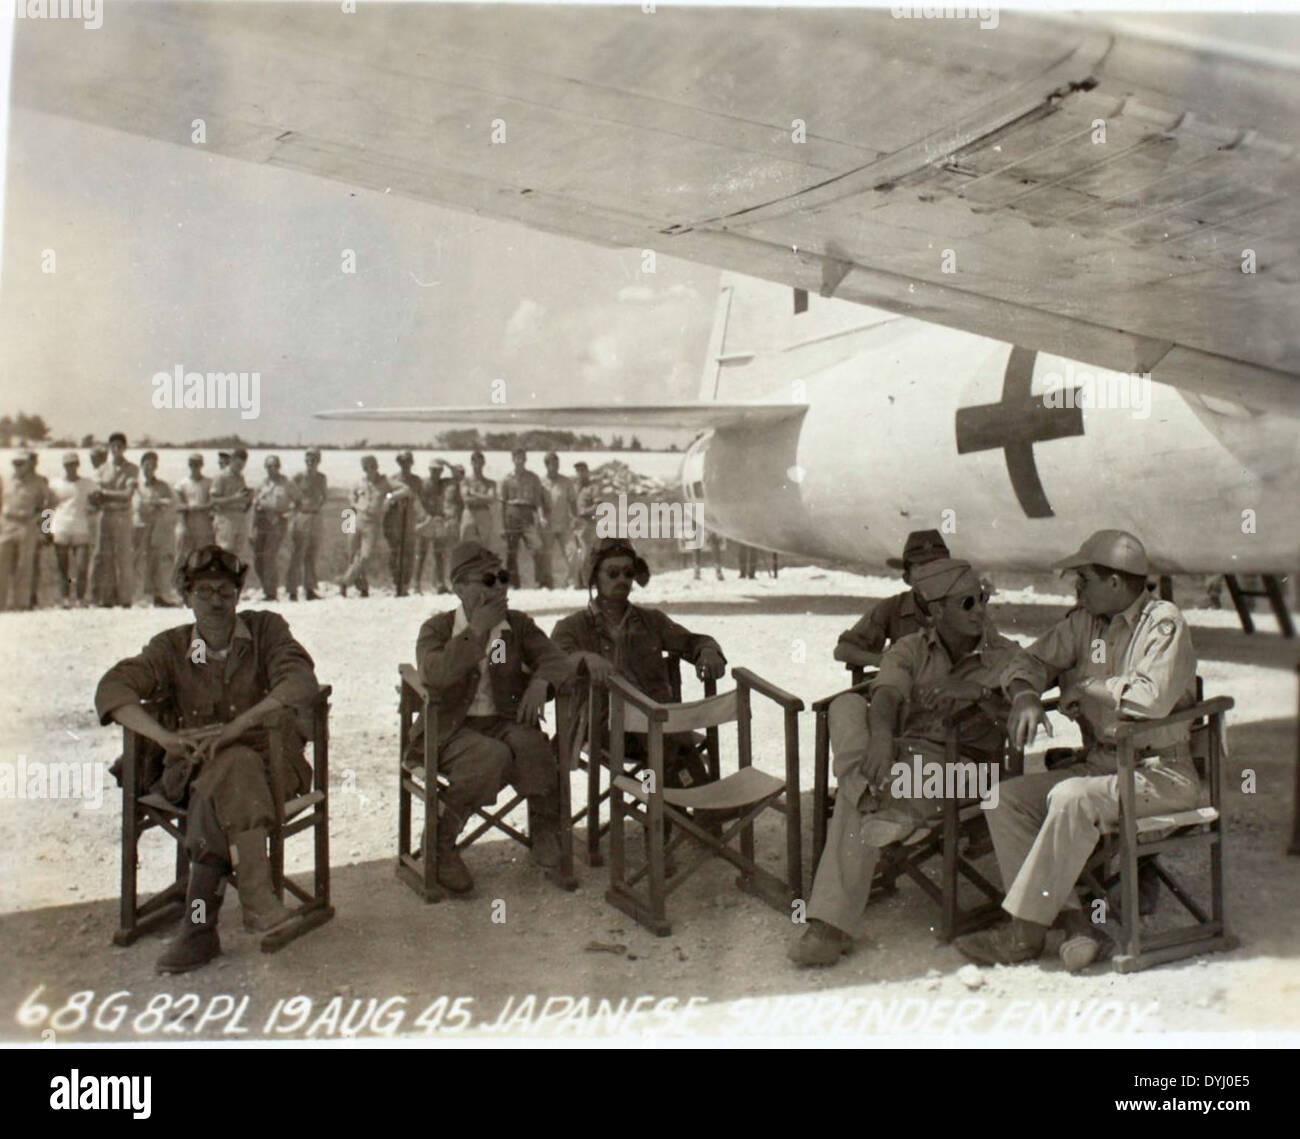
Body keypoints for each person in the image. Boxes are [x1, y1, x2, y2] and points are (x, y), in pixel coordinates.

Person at [955, 530, 1201, 973]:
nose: (1076, 589)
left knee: (1071, 797)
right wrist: (1027, 694)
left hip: (1161, 773)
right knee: (1004, 798)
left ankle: (1025, 933)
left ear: (1114, 582)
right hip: (1104, 763)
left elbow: (1151, 699)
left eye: (1083, 579)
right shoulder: (1084, 622)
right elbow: (1027, 662)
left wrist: (1082, 685)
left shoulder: (1164, 623)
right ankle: (1074, 923)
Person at [95, 545, 321, 973]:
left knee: (231, 767)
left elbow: (300, 681)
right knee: (222, 778)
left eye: (225, 591)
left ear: (238, 595)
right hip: (195, 772)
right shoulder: (171, 647)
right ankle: (252, 902)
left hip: (272, 767)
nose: (216, 602)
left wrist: (237, 728)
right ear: (187, 597)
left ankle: (200, 927)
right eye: (204, 592)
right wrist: (163, 737)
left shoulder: (267, 630)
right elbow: (113, 688)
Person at [790, 558, 1018, 966]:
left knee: (852, 796)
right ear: (934, 611)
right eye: (967, 603)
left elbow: (1024, 707)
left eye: (982, 599)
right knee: (845, 705)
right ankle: (877, 802)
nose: (980, 610)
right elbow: (887, 694)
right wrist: (879, 736)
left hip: (967, 772)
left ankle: (829, 926)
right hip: (902, 760)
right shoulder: (911, 648)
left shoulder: (1005, 655)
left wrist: (977, 694)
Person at [413, 541, 574, 893]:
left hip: (501, 721)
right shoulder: (438, 630)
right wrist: (477, 632)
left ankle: (545, 831)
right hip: (452, 729)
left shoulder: (516, 626)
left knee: (533, 744)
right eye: (488, 580)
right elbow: (436, 674)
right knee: (490, 756)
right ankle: (440, 844)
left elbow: (558, 658)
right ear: (459, 587)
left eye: (503, 578)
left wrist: (541, 681)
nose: (500, 587)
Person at [552, 537, 728, 791]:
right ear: (594, 578)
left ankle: (676, 812)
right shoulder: (572, 627)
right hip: (603, 728)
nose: (622, 580)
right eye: (612, 573)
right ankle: (699, 806)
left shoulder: (651, 621)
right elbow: (552, 664)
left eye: (628, 573)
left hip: (656, 723)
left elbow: (693, 641)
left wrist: (708, 651)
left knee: (662, 732)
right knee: (666, 736)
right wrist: (584, 658)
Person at [834, 529, 949, 674]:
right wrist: (884, 661)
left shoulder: (967, 604)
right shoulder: (894, 607)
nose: (931, 576)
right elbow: (843, 650)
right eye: (921, 570)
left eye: (937, 568)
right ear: (907, 578)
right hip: (905, 688)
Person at [93, 432, 139, 608]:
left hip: (123, 515)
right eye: (113, 446)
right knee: (105, 557)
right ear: (110, 448)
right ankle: (106, 598)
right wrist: (106, 496)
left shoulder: (132, 469)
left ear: (124, 448)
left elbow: (127, 495)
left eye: (120, 446)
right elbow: (96, 496)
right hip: (105, 515)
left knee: (124, 557)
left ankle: (125, 598)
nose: (117, 450)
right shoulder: (101, 469)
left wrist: (105, 494)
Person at [0, 453, 49, 610]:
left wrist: (44, 530)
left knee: (24, 566)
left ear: (29, 464)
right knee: (2, 564)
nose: (18, 466)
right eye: (15, 463)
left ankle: (21, 604)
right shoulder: (5, 480)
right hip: (7, 524)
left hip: (27, 525)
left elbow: (48, 507)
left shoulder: (39, 482)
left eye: (21, 463)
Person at [132, 451, 179, 607]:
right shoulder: (135, 485)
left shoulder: (162, 486)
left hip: (157, 528)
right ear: (142, 466)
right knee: (138, 561)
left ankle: (159, 596)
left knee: (158, 561)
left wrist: (157, 501)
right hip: (139, 526)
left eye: (152, 465)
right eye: (146, 465)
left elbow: (170, 502)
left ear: (156, 467)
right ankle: (138, 597)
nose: (149, 468)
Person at [499, 448, 552, 588]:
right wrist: (502, 525)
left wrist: (541, 517)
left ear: (525, 459)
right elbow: (502, 504)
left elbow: (537, 501)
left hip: (527, 514)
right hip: (511, 514)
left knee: (537, 547)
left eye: (522, 458)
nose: (519, 461)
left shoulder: (533, 478)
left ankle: (541, 582)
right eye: (517, 458)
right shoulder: (506, 479)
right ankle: (513, 583)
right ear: (513, 459)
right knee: (512, 550)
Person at [340, 454, 390, 598]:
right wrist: (353, 509)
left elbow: (404, 489)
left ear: (376, 467)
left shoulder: (384, 482)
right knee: (352, 555)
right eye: (366, 467)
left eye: (372, 467)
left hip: (372, 523)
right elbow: (350, 498)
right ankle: (363, 587)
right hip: (355, 518)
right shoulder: (359, 483)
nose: (369, 470)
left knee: (365, 556)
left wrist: (389, 498)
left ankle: (345, 581)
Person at [49, 452, 95, 607]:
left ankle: (81, 598)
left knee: (82, 567)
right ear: (64, 466)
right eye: (67, 464)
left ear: (78, 465)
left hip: (80, 528)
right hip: (60, 527)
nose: (71, 467)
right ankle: (65, 598)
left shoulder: (87, 483)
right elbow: (47, 507)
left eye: (73, 464)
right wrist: (45, 529)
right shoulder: (55, 484)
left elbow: (96, 502)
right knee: (63, 567)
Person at [252, 455, 296, 602]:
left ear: (279, 467)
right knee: (258, 559)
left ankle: (272, 592)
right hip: (262, 522)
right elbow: (255, 504)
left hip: (277, 523)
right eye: (269, 466)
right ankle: (266, 589)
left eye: (275, 466)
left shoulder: (286, 483)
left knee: (269, 557)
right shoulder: (262, 484)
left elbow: (298, 501)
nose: (272, 469)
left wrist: (288, 514)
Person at [286, 447, 326, 601]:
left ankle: (310, 589)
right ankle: (292, 590)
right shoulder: (298, 477)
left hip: (316, 517)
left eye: (315, 459)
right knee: (298, 553)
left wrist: (316, 507)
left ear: (319, 460)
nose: (311, 462)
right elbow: (290, 494)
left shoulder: (321, 478)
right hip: (301, 516)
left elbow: (324, 496)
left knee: (312, 554)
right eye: (309, 459)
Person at [384, 451, 423, 597]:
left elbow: (420, 499)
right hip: (394, 519)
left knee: (409, 553)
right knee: (394, 552)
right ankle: (396, 583)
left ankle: (405, 584)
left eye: (408, 461)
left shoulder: (417, 480)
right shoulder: (392, 479)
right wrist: (394, 497)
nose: (405, 464)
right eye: (402, 461)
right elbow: (386, 496)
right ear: (398, 463)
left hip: (410, 519)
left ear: (411, 462)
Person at [210, 447, 253, 571]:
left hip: (239, 517)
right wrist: (234, 498)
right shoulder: (221, 476)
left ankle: (231, 585)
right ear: (232, 460)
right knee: (224, 551)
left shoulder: (240, 477)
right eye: (238, 464)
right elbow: (214, 500)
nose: (240, 467)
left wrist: (247, 498)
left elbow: (242, 498)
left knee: (238, 553)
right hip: (225, 518)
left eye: (243, 465)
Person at [414, 459, 453, 594]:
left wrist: (448, 464)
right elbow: (417, 500)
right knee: (422, 553)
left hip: (439, 520)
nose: (435, 472)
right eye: (433, 470)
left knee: (439, 554)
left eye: (438, 470)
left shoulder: (443, 483)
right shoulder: (424, 483)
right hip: (427, 520)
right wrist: (424, 517)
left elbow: (458, 477)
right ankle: (416, 585)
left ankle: (440, 584)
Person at [541, 452, 579, 588]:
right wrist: (541, 518)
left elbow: (573, 501)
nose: (555, 467)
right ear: (546, 465)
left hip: (564, 524)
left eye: (557, 464)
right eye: (552, 464)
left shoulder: (566, 482)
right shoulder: (541, 482)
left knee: (573, 553)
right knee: (546, 556)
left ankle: (570, 582)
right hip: (548, 526)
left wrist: (575, 517)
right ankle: (547, 584)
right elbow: (538, 503)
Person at [174, 453, 215, 560]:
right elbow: (177, 505)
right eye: (192, 464)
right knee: (184, 555)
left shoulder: (209, 482)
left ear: (202, 465)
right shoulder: (181, 484)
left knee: (204, 555)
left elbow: (212, 503)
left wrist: (200, 507)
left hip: (204, 523)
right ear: (189, 465)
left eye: (197, 464)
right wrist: (189, 507)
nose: (194, 467)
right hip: (187, 522)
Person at [459, 451, 499, 554]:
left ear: (483, 463)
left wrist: (473, 493)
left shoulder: (490, 483)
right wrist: (483, 497)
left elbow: (491, 499)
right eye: (475, 462)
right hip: (469, 513)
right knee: (466, 546)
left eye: (480, 462)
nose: (477, 465)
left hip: (483, 514)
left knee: (484, 547)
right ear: (471, 463)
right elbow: (466, 499)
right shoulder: (465, 481)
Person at [27, 452, 51, 609]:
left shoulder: (42, 481)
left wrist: (45, 529)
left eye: (32, 462)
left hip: (35, 525)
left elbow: (47, 507)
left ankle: (32, 596)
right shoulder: (14, 481)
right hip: (17, 525)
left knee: (34, 562)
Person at [86, 443, 109, 605]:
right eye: (94, 457)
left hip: (105, 515)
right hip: (95, 517)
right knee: (96, 555)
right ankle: (93, 595)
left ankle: (102, 595)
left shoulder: (103, 473)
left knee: (102, 556)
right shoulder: (96, 475)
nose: (96, 460)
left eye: (99, 457)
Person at [572, 461, 598, 574]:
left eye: (583, 471)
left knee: (586, 552)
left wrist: (585, 511)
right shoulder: (573, 487)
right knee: (574, 553)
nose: (580, 474)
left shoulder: (593, 487)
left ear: (587, 472)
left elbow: (598, 506)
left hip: (587, 523)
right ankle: (577, 581)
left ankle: (586, 580)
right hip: (574, 523)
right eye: (578, 471)